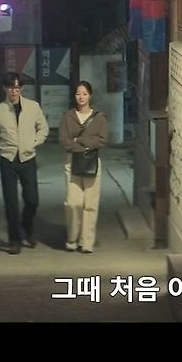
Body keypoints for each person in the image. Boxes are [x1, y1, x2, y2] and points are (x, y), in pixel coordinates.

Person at [0, 72, 48, 254]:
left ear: (21, 88)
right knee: (11, 203)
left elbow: (43, 128)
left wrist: (34, 142)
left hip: (28, 158)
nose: (14, 91)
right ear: (5, 88)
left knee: (32, 200)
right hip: (8, 160)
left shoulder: (33, 107)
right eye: (10, 87)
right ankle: (14, 240)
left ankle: (27, 227)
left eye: (16, 87)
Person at [58, 81, 108, 253]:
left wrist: (79, 140)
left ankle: (86, 241)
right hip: (72, 161)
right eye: (78, 94)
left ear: (90, 96)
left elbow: (102, 139)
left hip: (92, 163)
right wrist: (83, 147)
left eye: (85, 94)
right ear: (74, 96)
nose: (81, 97)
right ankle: (72, 238)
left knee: (90, 203)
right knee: (73, 203)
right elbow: (64, 140)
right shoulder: (68, 117)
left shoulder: (99, 118)